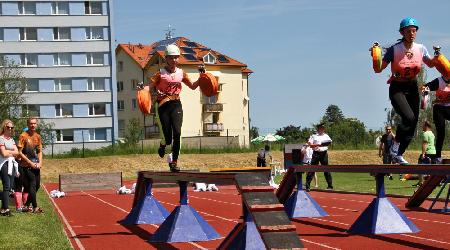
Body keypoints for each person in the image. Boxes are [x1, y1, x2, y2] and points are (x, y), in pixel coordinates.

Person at [372, 17, 435, 164]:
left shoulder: (421, 48)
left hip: (412, 86)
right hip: (397, 88)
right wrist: (375, 55)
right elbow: (379, 68)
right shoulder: (394, 49)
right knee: (409, 117)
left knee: (412, 126)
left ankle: (398, 153)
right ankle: (394, 147)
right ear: (402, 32)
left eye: (414, 31)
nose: (412, 34)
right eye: (408, 31)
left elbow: (431, 64)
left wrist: (438, 58)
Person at [141, 44, 203, 172]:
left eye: (176, 58)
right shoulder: (160, 74)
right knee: (168, 138)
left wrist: (202, 76)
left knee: (178, 133)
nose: (174, 60)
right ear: (166, 59)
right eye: (171, 58)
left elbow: (192, 86)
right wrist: (142, 89)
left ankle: (174, 162)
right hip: (163, 105)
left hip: (176, 104)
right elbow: (150, 86)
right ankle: (163, 144)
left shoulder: (181, 73)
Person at [422, 74, 450, 164]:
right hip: (439, 108)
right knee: (441, 133)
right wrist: (425, 90)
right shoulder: (439, 81)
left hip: (449, 108)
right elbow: (427, 85)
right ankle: (437, 157)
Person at [17, 117, 43, 213]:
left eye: (34, 123)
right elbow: (19, 152)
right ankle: (35, 207)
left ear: (36, 124)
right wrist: (30, 163)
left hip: (36, 165)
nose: (33, 125)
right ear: (27, 125)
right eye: (31, 123)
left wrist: (40, 162)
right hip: (26, 165)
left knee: (37, 186)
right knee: (32, 184)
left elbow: (39, 151)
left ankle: (26, 205)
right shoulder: (23, 136)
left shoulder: (38, 136)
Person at [0, 119, 20, 216]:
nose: (10, 129)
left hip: (12, 163)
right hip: (4, 164)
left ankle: (3, 208)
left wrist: (9, 152)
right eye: (8, 127)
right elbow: (3, 154)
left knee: (10, 186)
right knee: (6, 186)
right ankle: (6, 209)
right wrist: (12, 152)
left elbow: (17, 153)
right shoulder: (1, 138)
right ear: (4, 127)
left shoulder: (11, 139)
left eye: (12, 127)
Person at [305, 123, 333, 191]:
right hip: (316, 154)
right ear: (318, 128)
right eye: (322, 128)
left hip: (324, 154)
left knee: (326, 170)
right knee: (312, 169)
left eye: (324, 128)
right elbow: (310, 145)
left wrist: (322, 145)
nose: (323, 129)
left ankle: (330, 186)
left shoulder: (326, 135)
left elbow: (330, 142)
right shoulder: (313, 136)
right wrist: (318, 145)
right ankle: (307, 186)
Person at [414, 120, 436, 186]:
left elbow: (425, 144)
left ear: (426, 126)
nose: (422, 126)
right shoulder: (432, 133)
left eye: (423, 125)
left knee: (419, 168)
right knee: (431, 168)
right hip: (433, 152)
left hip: (427, 152)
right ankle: (434, 182)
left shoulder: (425, 133)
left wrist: (423, 154)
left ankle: (421, 182)